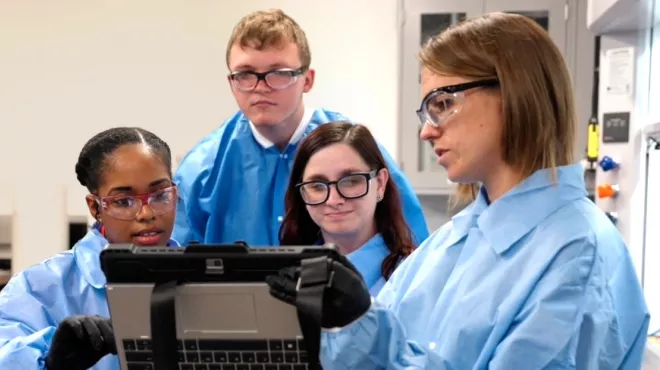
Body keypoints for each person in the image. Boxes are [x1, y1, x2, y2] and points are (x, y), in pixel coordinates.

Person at [266, 12, 650, 369]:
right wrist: (348, 321)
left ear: (514, 94)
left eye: (443, 103)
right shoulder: (458, 238)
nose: (427, 130)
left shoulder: (577, 256)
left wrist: (361, 328)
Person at [173, 8, 429, 247]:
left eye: (279, 72)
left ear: (307, 80)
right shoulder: (201, 170)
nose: (261, 86)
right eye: (245, 74)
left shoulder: (355, 152)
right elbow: (175, 269)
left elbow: (413, 252)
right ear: (231, 83)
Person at [0, 127, 179, 370]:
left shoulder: (206, 281)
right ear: (95, 208)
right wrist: (51, 363)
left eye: (159, 195)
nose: (146, 213)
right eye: (123, 201)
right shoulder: (36, 289)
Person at [280, 122, 416, 295]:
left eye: (351, 181)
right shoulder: (289, 276)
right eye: (317, 185)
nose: (333, 199)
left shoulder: (415, 274)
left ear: (380, 183)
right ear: (303, 194)